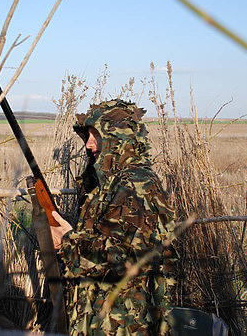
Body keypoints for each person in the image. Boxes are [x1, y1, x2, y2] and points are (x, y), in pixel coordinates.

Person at [50, 100, 176, 335]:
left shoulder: (135, 184)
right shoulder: (110, 183)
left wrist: (67, 242)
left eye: (95, 135)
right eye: (87, 135)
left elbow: (120, 257)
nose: (88, 144)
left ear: (118, 139)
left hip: (125, 323)